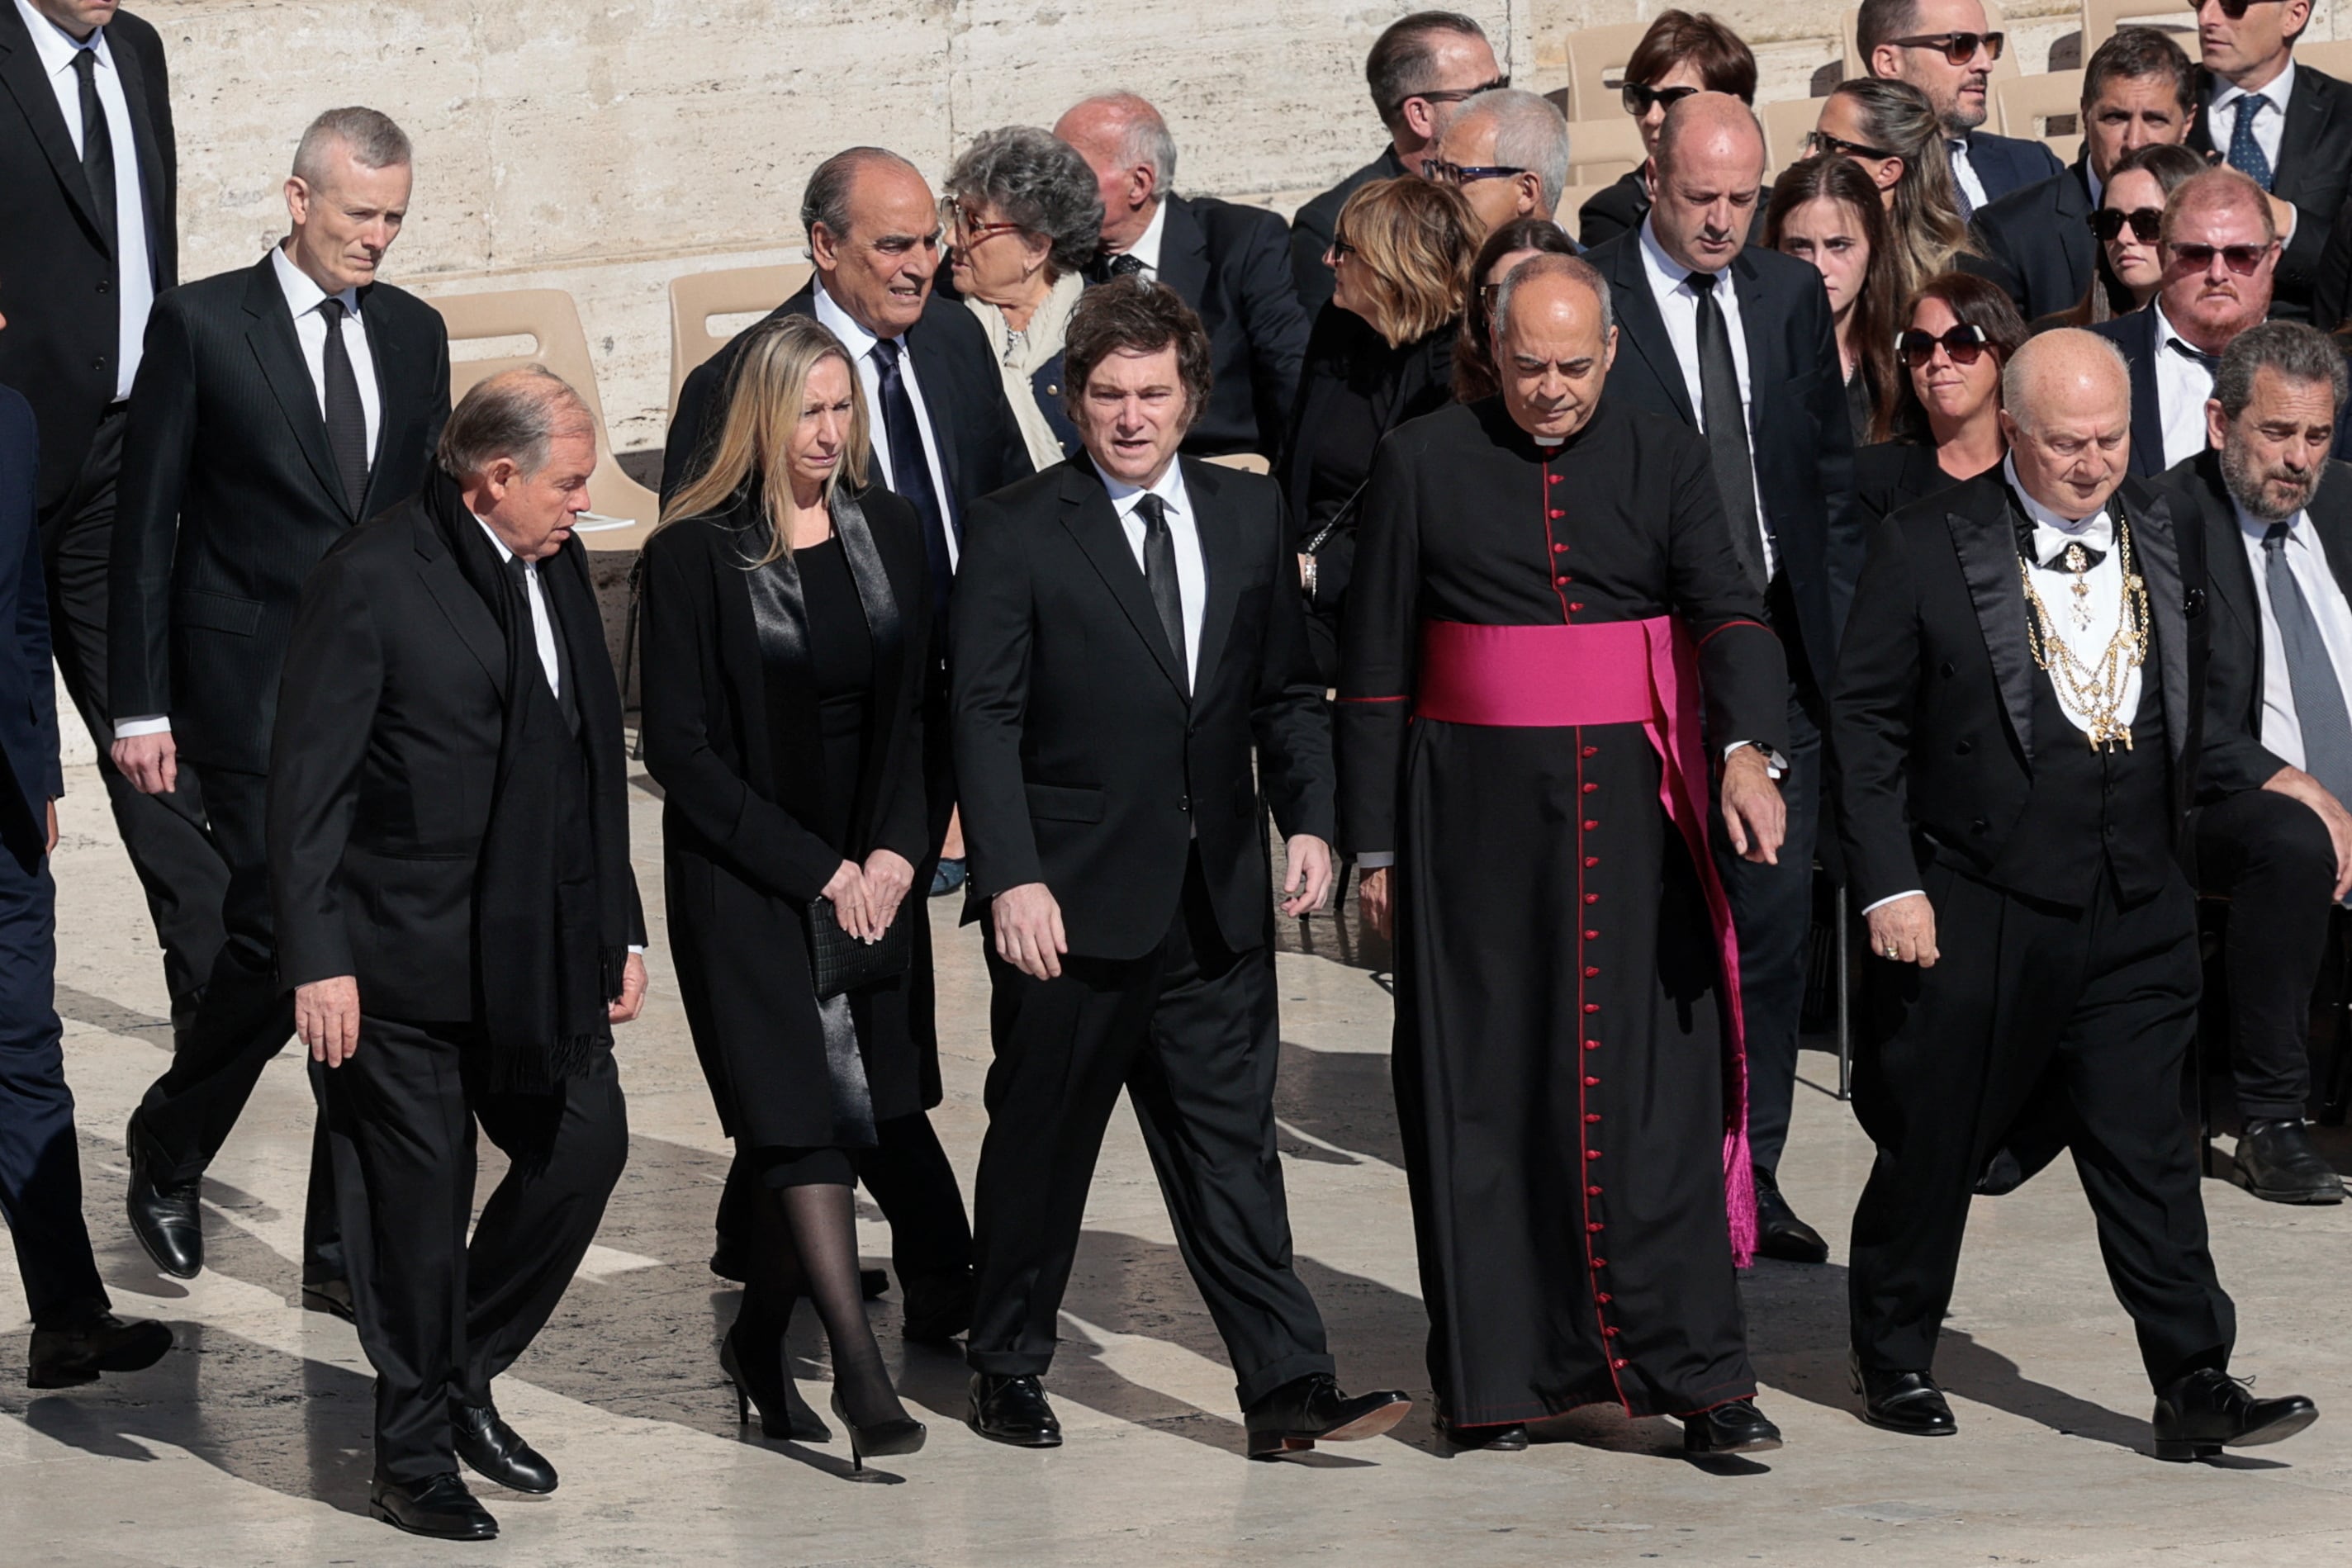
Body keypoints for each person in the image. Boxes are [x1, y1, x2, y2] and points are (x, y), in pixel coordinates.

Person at [1833, 327, 2320, 1458]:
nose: (2093, 463)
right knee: (1936, 1138)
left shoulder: (2169, 524)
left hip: (2138, 897)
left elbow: (2204, 701)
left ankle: (2194, 1373)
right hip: (1979, 897)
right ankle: (1895, 1346)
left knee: (2150, 1146)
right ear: (2010, 430)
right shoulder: (1924, 543)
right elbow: (1863, 731)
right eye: (2065, 443)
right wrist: (1889, 884)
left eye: (2110, 438)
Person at [951, 277, 1411, 1457]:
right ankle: (1005, 1359)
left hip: (1215, 905)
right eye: (1106, 393)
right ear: (1070, 398)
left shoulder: (1247, 516)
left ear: (1192, 395)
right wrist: (1012, 874)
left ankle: (1287, 1385)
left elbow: (1280, 693)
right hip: (1071, 906)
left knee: (1233, 1153)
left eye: (1154, 391)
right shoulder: (1014, 527)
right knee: (1042, 1150)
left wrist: (1308, 818)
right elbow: (984, 719)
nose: (1131, 415)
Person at [1340, 253, 1790, 1454]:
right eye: (1529, 366)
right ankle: (1497, 1381)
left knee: (1657, 1103)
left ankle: (1702, 1375)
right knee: (1481, 1095)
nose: (1552, 391)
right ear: (1491, 352)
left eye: (1576, 366)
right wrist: (1373, 846)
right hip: (1470, 824)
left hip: (1641, 818)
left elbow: (1732, 611)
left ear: (1608, 350)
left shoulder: (1666, 454)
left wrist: (1749, 750)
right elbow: (1377, 664)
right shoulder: (1422, 459)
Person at [269, 368, 647, 1538]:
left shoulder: (561, 568)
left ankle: (459, 1369)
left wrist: (621, 920)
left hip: (540, 946)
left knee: (585, 1147)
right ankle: (412, 1454)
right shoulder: (374, 579)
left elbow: (593, 760)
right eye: (570, 481)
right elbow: (308, 786)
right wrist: (319, 954)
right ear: (496, 477)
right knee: (416, 1217)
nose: (587, 501)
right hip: (398, 964)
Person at [664, 145, 1025, 1338]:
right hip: (784, 802)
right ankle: (936, 1277)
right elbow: (704, 650)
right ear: (826, 246)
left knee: (855, 1049)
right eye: (895, 244)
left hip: (898, 762)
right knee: (833, 1055)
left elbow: (1000, 517)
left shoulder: (959, 341)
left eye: (933, 240)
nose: (925, 264)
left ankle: (767, 1244)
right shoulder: (737, 380)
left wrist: (952, 775)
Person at [110, 107, 450, 1310]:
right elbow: (144, 531)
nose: (379, 237)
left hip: (383, 700)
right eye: (361, 213)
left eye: (396, 216)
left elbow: (426, 521)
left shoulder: (416, 333)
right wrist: (140, 706)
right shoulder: (202, 323)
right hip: (245, 694)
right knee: (275, 942)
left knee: (367, 960)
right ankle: (172, 1136)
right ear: (298, 199)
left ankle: (338, 1248)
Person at [642, 316, 933, 1463]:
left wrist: (897, 854)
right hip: (749, 875)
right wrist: (818, 869)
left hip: (875, 869)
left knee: (847, 1114)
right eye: (807, 411)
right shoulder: (690, 556)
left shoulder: (893, 530)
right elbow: (682, 750)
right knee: (793, 1111)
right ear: (761, 419)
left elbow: (918, 713)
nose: (828, 431)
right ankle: (860, 1372)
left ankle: (761, 1340)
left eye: (841, 408)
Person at [1585, 93, 1861, 1266]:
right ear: (1653, 173)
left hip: (1778, 650)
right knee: (1641, 923)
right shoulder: (1592, 293)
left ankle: (1759, 1173)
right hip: (1640, 656)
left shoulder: (1786, 295)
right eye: (1701, 197)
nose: (1721, 222)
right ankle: (1648, 1168)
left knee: (1774, 914)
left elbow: (1820, 468)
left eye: (1743, 201)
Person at [0, 0, 227, 1049]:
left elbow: (146, 242)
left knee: (151, 732)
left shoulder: (135, 50)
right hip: (5, 445)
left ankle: (222, 1012)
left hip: (123, 456)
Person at [0, 344, 172, 1391]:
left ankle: (66, 1313)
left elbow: (21, 613)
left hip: (3, 808)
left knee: (24, 1047)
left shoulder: (12, 420)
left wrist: (37, 769)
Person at [2161, 321, 2352, 1203]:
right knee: (2291, 835)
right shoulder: (2167, 521)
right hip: (2221, 800)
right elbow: (2164, 704)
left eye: (2315, 436)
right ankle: (2271, 1120)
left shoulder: (2344, 511)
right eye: (2276, 433)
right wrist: (2289, 779)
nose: (2297, 460)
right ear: (2218, 423)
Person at [1282, 177, 1476, 685]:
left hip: (1383, 609)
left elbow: (1433, 535)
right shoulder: (1339, 325)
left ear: (1395, 267)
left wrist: (1314, 575)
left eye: (1345, 250)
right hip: (1298, 583)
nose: (1329, 260)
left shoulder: (1453, 369)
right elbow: (1293, 465)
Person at [1055, 92, 1310, 459]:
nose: (1052, 188)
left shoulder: (1241, 241)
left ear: (1139, 183)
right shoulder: (1058, 257)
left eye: (1071, 173)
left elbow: (1290, 377)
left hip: (1222, 473)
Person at [1968, 28, 2198, 324]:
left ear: (2187, 122)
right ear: (2085, 114)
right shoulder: (2008, 234)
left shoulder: (2225, 222)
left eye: (2155, 119)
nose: (2135, 141)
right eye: (2116, 117)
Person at [1292, 10, 1501, 316]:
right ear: (1420, 114)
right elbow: (1331, 354)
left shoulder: (1508, 183)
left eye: (1503, 85)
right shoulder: (1332, 225)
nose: (1503, 104)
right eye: (1483, 93)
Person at [2091, 167, 2278, 476]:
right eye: (2196, 254)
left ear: (2272, 258)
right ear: (2164, 254)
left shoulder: (2330, 374)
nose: (2218, 274)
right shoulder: (2091, 358)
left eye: (2240, 255)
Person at [944, 126, 1105, 468]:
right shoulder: (936, 321)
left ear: (1035, 247)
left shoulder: (1109, 328)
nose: (949, 237)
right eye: (954, 212)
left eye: (973, 223)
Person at [2186, 0, 2352, 323]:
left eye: (2232, 5)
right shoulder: (2161, 107)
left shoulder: (2345, 116)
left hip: (2314, 338)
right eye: (2199, 1)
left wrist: (2279, 218)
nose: (2206, 18)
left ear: (2294, 15)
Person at [1856, 0, 2064, 216]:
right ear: (1889, 63)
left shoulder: (2033, 165)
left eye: (1989, 43)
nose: (1985, 64)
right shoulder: (1851, 183)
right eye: (1961, 45)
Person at [1577, 8, 1757, 251]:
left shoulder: (1778, 212)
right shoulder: (1612, 214)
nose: (1652, 117)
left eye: (1675, 99)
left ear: (1733, 107)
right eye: (1640, 97)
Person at [1854, 271, 2027, 525]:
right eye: (1920, 345)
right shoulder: (1868, 479)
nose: (1937, 361)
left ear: (2002, 352)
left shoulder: (2042, 472)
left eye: (1961, 342)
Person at [1769, 154, 1904, 441]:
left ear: (1874, 246)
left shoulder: (1910, 353)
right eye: (1799, 246)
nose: (1819, 268)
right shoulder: (1749, 355)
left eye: (1839, 245)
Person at [1813, 78, 1975, 305]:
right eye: (1815, 140)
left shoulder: (1958, 288)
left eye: (1829, 144)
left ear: (1887, 171)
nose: (1809, 157)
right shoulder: (1795, 261)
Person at [2043, 143, 2208, 330]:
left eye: (2148, 222)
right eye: (2110, 222)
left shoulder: (2235, 339)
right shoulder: (2056, 340)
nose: (2123, 238)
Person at [1451, 216, 1580, 401]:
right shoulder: (1449, 422)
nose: (1519, 316)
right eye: (1501, 296)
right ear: (1480, 307)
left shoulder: (1619, 417)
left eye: (1541, 296)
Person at [1426, 88, 1571, 237]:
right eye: (1437, 169)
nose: (1436, 187)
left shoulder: (1585, 261)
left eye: (1454, 173)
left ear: (1526, 192)